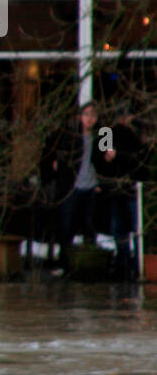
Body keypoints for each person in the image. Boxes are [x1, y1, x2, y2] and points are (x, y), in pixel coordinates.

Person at [49, 101, 109, 273]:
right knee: (66, 226)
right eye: (86, 115)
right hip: (73, 186)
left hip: (91, 186)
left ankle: (88, 264)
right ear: (80, 117)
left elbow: (106, 160)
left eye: (93, 115)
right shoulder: (71, 136)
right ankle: (63, 263)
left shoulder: (101, 135)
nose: (90, 119)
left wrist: (100, 181)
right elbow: (60, 160)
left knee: (90, 224)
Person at [95, 108, 146, 280]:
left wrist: (117, 156)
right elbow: (100, 158)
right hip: (114, 189)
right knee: (119, 228)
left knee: (134, 227)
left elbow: (139, 160)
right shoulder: (107, 132)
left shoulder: (135, 134)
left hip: (131, 187)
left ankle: (137, 265)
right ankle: (123, 265)